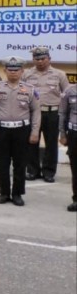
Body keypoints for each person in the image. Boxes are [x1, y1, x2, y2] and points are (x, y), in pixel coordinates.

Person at [0, 56, 41, 206]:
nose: (13, 72)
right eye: (10, 69)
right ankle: (4, 193)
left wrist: (35, 132)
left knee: (20, 164)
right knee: (2, 163)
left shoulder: (30, 90)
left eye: (16, 70)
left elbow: (36, 112)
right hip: (1, 130)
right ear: (5, 70)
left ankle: (17, 194)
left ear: (22, 71)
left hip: (22, 130)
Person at [22, 46, 69, 183]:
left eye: (43, 58)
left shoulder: (59, 74)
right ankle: (32, 170)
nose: (40, 61)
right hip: (32, 114)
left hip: (52, 113)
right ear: (33, 60)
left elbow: (66, 96)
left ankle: (49, 172)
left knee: (51, 144)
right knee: (31, 142)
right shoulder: (27, 74)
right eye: (37, 59)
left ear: (49, 59)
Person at [60, 82, 77, 212]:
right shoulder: (69, 91)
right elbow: (63, 114)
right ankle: (76, 200)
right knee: (75, 169)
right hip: (74, 134)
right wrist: (63, 134)